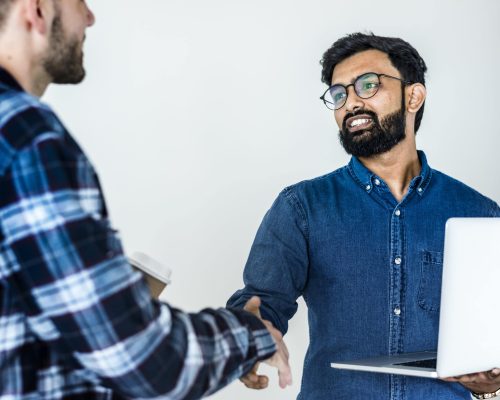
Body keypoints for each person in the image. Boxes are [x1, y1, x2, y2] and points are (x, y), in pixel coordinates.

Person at [0, 0, 292, 398]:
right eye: (79, 3)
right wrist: (254, 334)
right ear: (36, 10)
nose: (89, 17)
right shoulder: (28, 138)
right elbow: (143, 359)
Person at [228, 32, 500, 399]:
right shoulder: (301, 207)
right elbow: (262, 302)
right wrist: (249, 334)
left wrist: (492, 378)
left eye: (367, 85)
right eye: (339, 94)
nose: (350, 102)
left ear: (413, 96)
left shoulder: (480, 215)